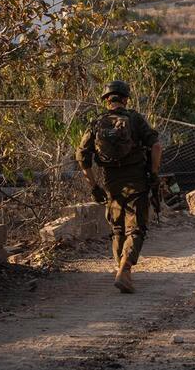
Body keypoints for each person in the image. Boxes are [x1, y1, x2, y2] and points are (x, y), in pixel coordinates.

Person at [76, 80, 162, 293]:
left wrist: (93, 186)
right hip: (136, 182)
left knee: (117, 229)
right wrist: (154, 174)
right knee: (136, 228)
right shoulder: (135, 119)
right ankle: (125, 268)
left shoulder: (96, 122)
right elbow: (156, 146)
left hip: (111, 183)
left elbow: (82, 156)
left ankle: (121, 268)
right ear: (125, 99)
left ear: (107, 101)